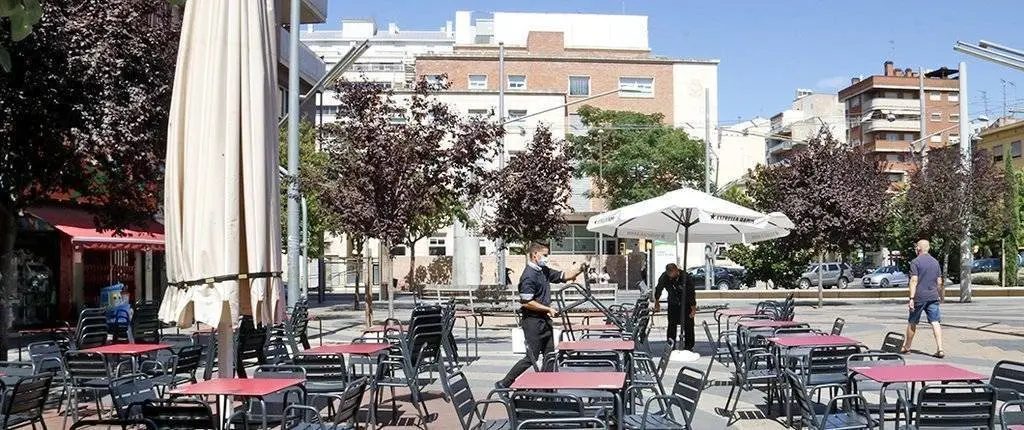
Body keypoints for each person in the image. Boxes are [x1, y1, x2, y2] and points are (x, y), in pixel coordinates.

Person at [497, 242, 582, 388]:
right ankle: (505, 383)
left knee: (549, 357)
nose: (547, 258)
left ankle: (546, 389)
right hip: (532, 322)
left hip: (544, 321)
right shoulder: (528, 276)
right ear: (535, 255)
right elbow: (526, 302)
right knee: (531, 357)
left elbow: (564, 276)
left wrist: (580, 269)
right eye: (545, 255)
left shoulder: (543, 270)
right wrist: (547, 309)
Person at [902, 239, 945, 358]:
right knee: (935, 322)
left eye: (916, 248)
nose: (915, 249)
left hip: (919, 297)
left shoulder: (915, 262)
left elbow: (914, 280)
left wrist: (911, 298)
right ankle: (940, 348)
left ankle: (907, 346)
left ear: (919, 249)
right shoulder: (935, 262)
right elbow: (939, 281)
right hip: (933, 296)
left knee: (912, 322)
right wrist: (940, 295)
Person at [653, 263, 697, 351]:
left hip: (686, 303)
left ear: (677, 271)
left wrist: (693, 308)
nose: (670, 277)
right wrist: (657, 302)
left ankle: (689, 346)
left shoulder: (685, 277)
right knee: (671, 325)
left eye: (671, 274)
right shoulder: (665, 277)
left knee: (688, 325)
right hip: (673, 303)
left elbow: (691, 293)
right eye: (668, 274)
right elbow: (658, 289)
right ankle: (671, 344)